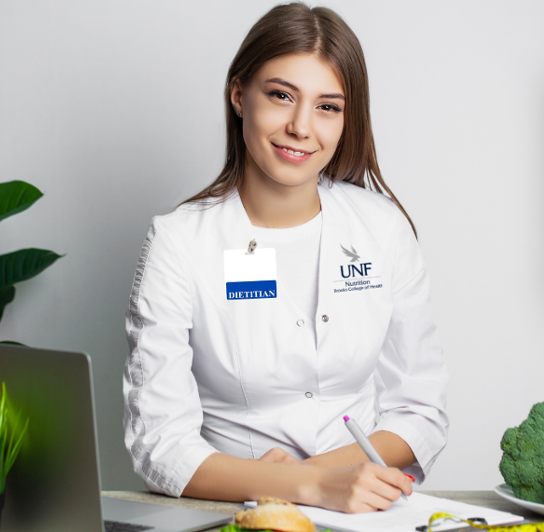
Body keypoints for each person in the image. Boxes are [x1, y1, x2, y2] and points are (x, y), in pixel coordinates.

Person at [123, 2, 448, 514]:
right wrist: (311, 489)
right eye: (280, 96)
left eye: (327, 106)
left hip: (369, 513)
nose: (301, 126)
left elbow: (420, 411)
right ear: (238, 95)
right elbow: (159, 445)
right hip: (231, 517)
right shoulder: (179, 241)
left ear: (347, 119)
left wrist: (312, 479)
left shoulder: (382, 229)